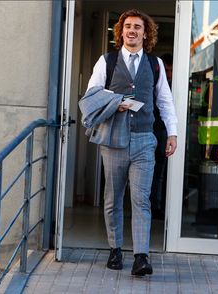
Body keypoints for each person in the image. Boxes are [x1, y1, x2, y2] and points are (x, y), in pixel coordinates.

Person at [80, 9, 177, 276]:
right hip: (113, 140)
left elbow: (165, 102)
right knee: (113, 198)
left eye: (138, 27)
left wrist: (172, 133)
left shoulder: (155, 64)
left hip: (145, 139)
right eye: (128, 27)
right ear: (121, 32)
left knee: (141, 200)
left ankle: (141, 256)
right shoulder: (107, 61)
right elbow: (91, 96)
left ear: (146, 34)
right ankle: (115, 249)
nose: (132, 31)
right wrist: (115, 102)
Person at [150, 53, 173, 220]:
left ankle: (156, 206)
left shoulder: (176, 85)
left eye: (171, 70)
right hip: (149, 130)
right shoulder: (153, 82)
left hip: (164, 132)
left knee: (160, 171)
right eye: (167, 70)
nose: (169, 74)